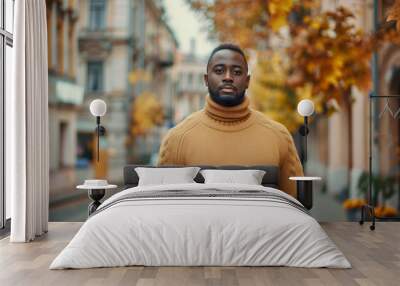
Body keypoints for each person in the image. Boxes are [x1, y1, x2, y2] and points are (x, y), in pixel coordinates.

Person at [158, 43, 303, 198]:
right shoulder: (177, 139)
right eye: (219, 71)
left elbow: (295, 206)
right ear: (206, 79)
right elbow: (162, 208)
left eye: (237, 71)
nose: (228, 77)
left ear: (247, 81)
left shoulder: (278, 136)